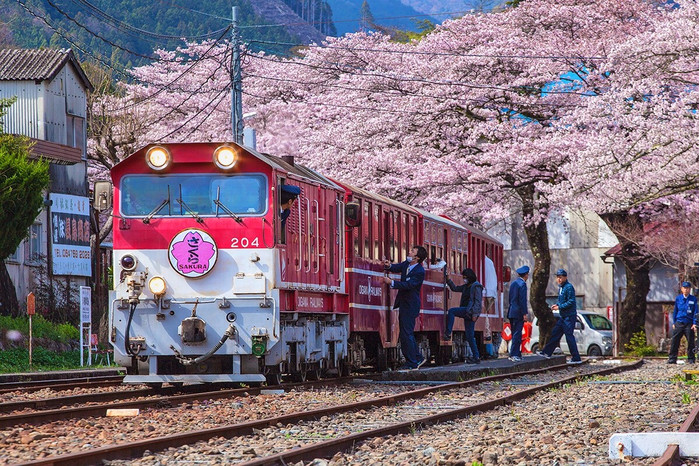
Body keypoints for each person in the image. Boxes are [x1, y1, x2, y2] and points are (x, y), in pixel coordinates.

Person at [381, 246, 428, 370]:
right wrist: (389, 266)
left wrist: (391, 282)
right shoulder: (407, 264)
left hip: (411, 305)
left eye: (412, 251)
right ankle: (416, 358)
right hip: (404, 303)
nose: (409, 252)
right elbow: (398, 267)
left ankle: (413, 362)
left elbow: (409, 285)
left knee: (407, 333)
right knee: (405, 333)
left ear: (417, 257)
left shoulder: (419, 271)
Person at [537, 268, 582, 364]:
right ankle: (547, 352)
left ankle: (576, 357)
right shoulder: (561, 287)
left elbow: (571, 301)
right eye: (558, 277)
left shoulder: (568, 287)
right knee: (555, 333)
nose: (559, 279)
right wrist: (557, 304)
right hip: (563, 316)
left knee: (569, 336)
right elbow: (561, 300)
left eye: (561, 277)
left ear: (565, 277)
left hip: (569, 316)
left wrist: (559, 307)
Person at [444, 268, 483, 364]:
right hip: (467, 311)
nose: (464, 279)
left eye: (465, 277)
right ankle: (476, 357)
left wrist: (475, 314)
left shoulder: (476, 286)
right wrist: (448, 279)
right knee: (470, 336)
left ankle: (448, 333)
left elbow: (478, 302)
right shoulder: (466, 286)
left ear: (470, 277)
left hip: (469, 311)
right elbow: (455, 288)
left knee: (452, 311)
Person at [667, 281, 697, 364]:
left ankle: (691, 359)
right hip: (679, 322)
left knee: (691, 342)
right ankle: (672, 359)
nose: (686, 290)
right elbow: (675, 311)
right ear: (682, 289)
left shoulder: (693, 299)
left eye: (687, 288)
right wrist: (674, 322)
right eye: (684, 288)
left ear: (689, 289)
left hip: (689, 323)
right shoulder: (678, 298)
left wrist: (695, 323)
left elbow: (695, 312)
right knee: (675, 341)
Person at [508, 265, 530, 362]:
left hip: (511, 311)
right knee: (517, 333)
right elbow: (522, 300)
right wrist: (524, 313)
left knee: (514, 333)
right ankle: (514, 354)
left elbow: (510, 298)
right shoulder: (522, 284)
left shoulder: (513, 284)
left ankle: (516, 353)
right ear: (526, 275)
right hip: (518, 313)